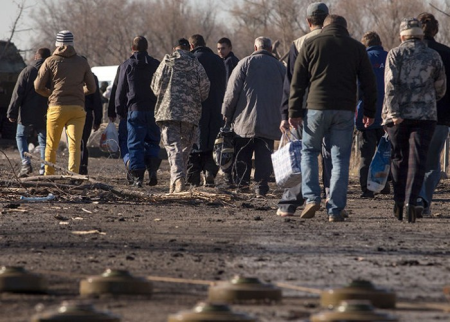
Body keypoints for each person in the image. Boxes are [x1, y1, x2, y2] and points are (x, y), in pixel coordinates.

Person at [289, 15, 377, 222]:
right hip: (345, 110)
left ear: (324, 27)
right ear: (345, 28)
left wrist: (293, 111)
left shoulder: (311, 44)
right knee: (339, 158)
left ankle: (311, 199)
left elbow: (297, 81)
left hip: (315, 109)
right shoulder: (356, 48)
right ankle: (335, 208)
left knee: (309, 152)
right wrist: (370, 112)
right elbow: (369, 83)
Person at [383, 18, 446, 223]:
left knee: (398, 158)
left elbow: (390, 85)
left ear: (402, 36)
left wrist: (393, 112)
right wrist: (427, 100)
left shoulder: (395, 53)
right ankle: (412, 201)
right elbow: (440, 86)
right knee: (418, 160)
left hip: (398, 115)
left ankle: (399, 201)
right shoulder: (433, 55)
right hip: (425, 115)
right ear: (420, 34)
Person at [276, 1, 328, 217]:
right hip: (333, 107)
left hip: (303, 109)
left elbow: (291, 83)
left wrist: (286, 114)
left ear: (308, 22)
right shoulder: (341, 42)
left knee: (300, 154)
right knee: (331, 155)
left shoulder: (298, 44)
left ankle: (290, 204)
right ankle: (333, 201)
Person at [222, 36, 286, 196]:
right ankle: (261, 187)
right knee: (264, 155)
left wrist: (226, 114)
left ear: (255, 48)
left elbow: (231, 93)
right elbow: (289, 93)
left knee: (242, 152)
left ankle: (242, 185)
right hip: (270, 121)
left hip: (244, 121)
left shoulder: (244, 63)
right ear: (271, 49)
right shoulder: (280, 67)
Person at [151, 38, 210, 193]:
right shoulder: (196, 64)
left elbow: (155, 87)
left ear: (174, 48)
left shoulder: (166, 62)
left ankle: (177, 179)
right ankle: (177, 181)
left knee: (173, 148)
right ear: (188, 48)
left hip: (168, 111)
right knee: (184, 149)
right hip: (190, 114)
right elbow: (205, 89)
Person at [34, 30, 97, 175]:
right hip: (77, 109)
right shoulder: (82, 62)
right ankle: (73, 175)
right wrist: (80, 92)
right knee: (74, 145)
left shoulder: (50, 61)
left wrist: (50, 94)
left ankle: (49, 175)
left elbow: (38, 86)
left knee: (51, 145)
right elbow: (92, 87)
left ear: (57, 44)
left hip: (56, 107)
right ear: (72, 43)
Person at [415, 13, 450, 217]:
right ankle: (425, 201)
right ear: (436, 30)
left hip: (415, 114)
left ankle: (418, 197)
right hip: (442, 115)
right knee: (433, 162)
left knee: (416, 158)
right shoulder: (446, 53)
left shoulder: (411, 53)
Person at [115, 36, 161, 187]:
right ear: (147, 48)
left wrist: (119, 111)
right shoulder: (156, 64)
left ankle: (138, 177)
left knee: (135, 143)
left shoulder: (127, 65)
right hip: (154, 110)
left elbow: (120, 90)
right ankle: (153, 169)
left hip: (134, 110)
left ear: (132, 48)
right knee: (153, 141)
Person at [187, 34, 226, 187]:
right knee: (212, 142)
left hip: (196, 108)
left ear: (191, 46)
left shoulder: (191, 60)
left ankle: (193, 177)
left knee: (195, 142)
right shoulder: (218, 61)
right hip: (216, 107)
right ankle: (210, 171)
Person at [7, 47, 51, 177]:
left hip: (27, 113)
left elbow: (17, 94)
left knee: (21, 136)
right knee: (43, 141)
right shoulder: (52, 72)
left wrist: (12, 113)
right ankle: (44, 168)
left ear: (36, 57)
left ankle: (26, 164)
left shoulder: (27, 71)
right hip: (45, 113)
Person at [356, 31, 389, 198]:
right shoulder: (390, 57)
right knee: (386, 152)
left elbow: (357, 88)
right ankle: (385, 184)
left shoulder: (362, 59)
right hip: (388, 115)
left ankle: (367, 189)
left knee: (366, 154)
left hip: (366, 114)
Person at [79, 58, 103, 175]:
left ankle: (75, 167)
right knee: (83, 142)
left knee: (75, 143)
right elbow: (96, 100)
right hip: (87, 114)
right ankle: (83, 167)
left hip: (73, 112)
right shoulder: (92, 78)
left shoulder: (73, 76)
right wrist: (98, 119)